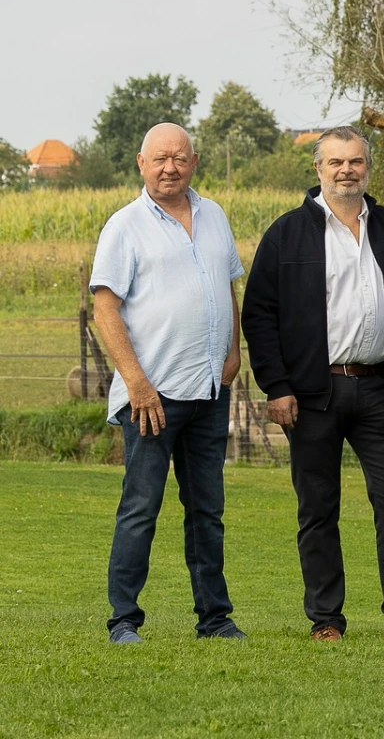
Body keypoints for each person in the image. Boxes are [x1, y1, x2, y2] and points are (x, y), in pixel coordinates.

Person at [242, 125, 384, 641]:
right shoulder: (287, 233)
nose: (347, 171)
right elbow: (260, 315)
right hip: (311, 394)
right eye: (336, 162)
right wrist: (276, 386)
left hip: (377, 387)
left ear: (369, 167)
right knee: (318, 508)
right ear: (318, 169)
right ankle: (326, 619)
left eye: (356, 162)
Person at [93, 123, 246, 644]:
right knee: (141, 508)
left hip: (208, 391)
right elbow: (105, 308)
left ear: (194, 161)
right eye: (160, 159)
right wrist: (135, 382)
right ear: (141, 163)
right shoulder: (125, 226)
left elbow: (227, 289)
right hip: (151, 398)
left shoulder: (215, 216)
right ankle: (123, 621)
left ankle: (215, 618)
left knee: (208, 511)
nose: (170, 168)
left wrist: (232, 353)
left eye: (179, 158)